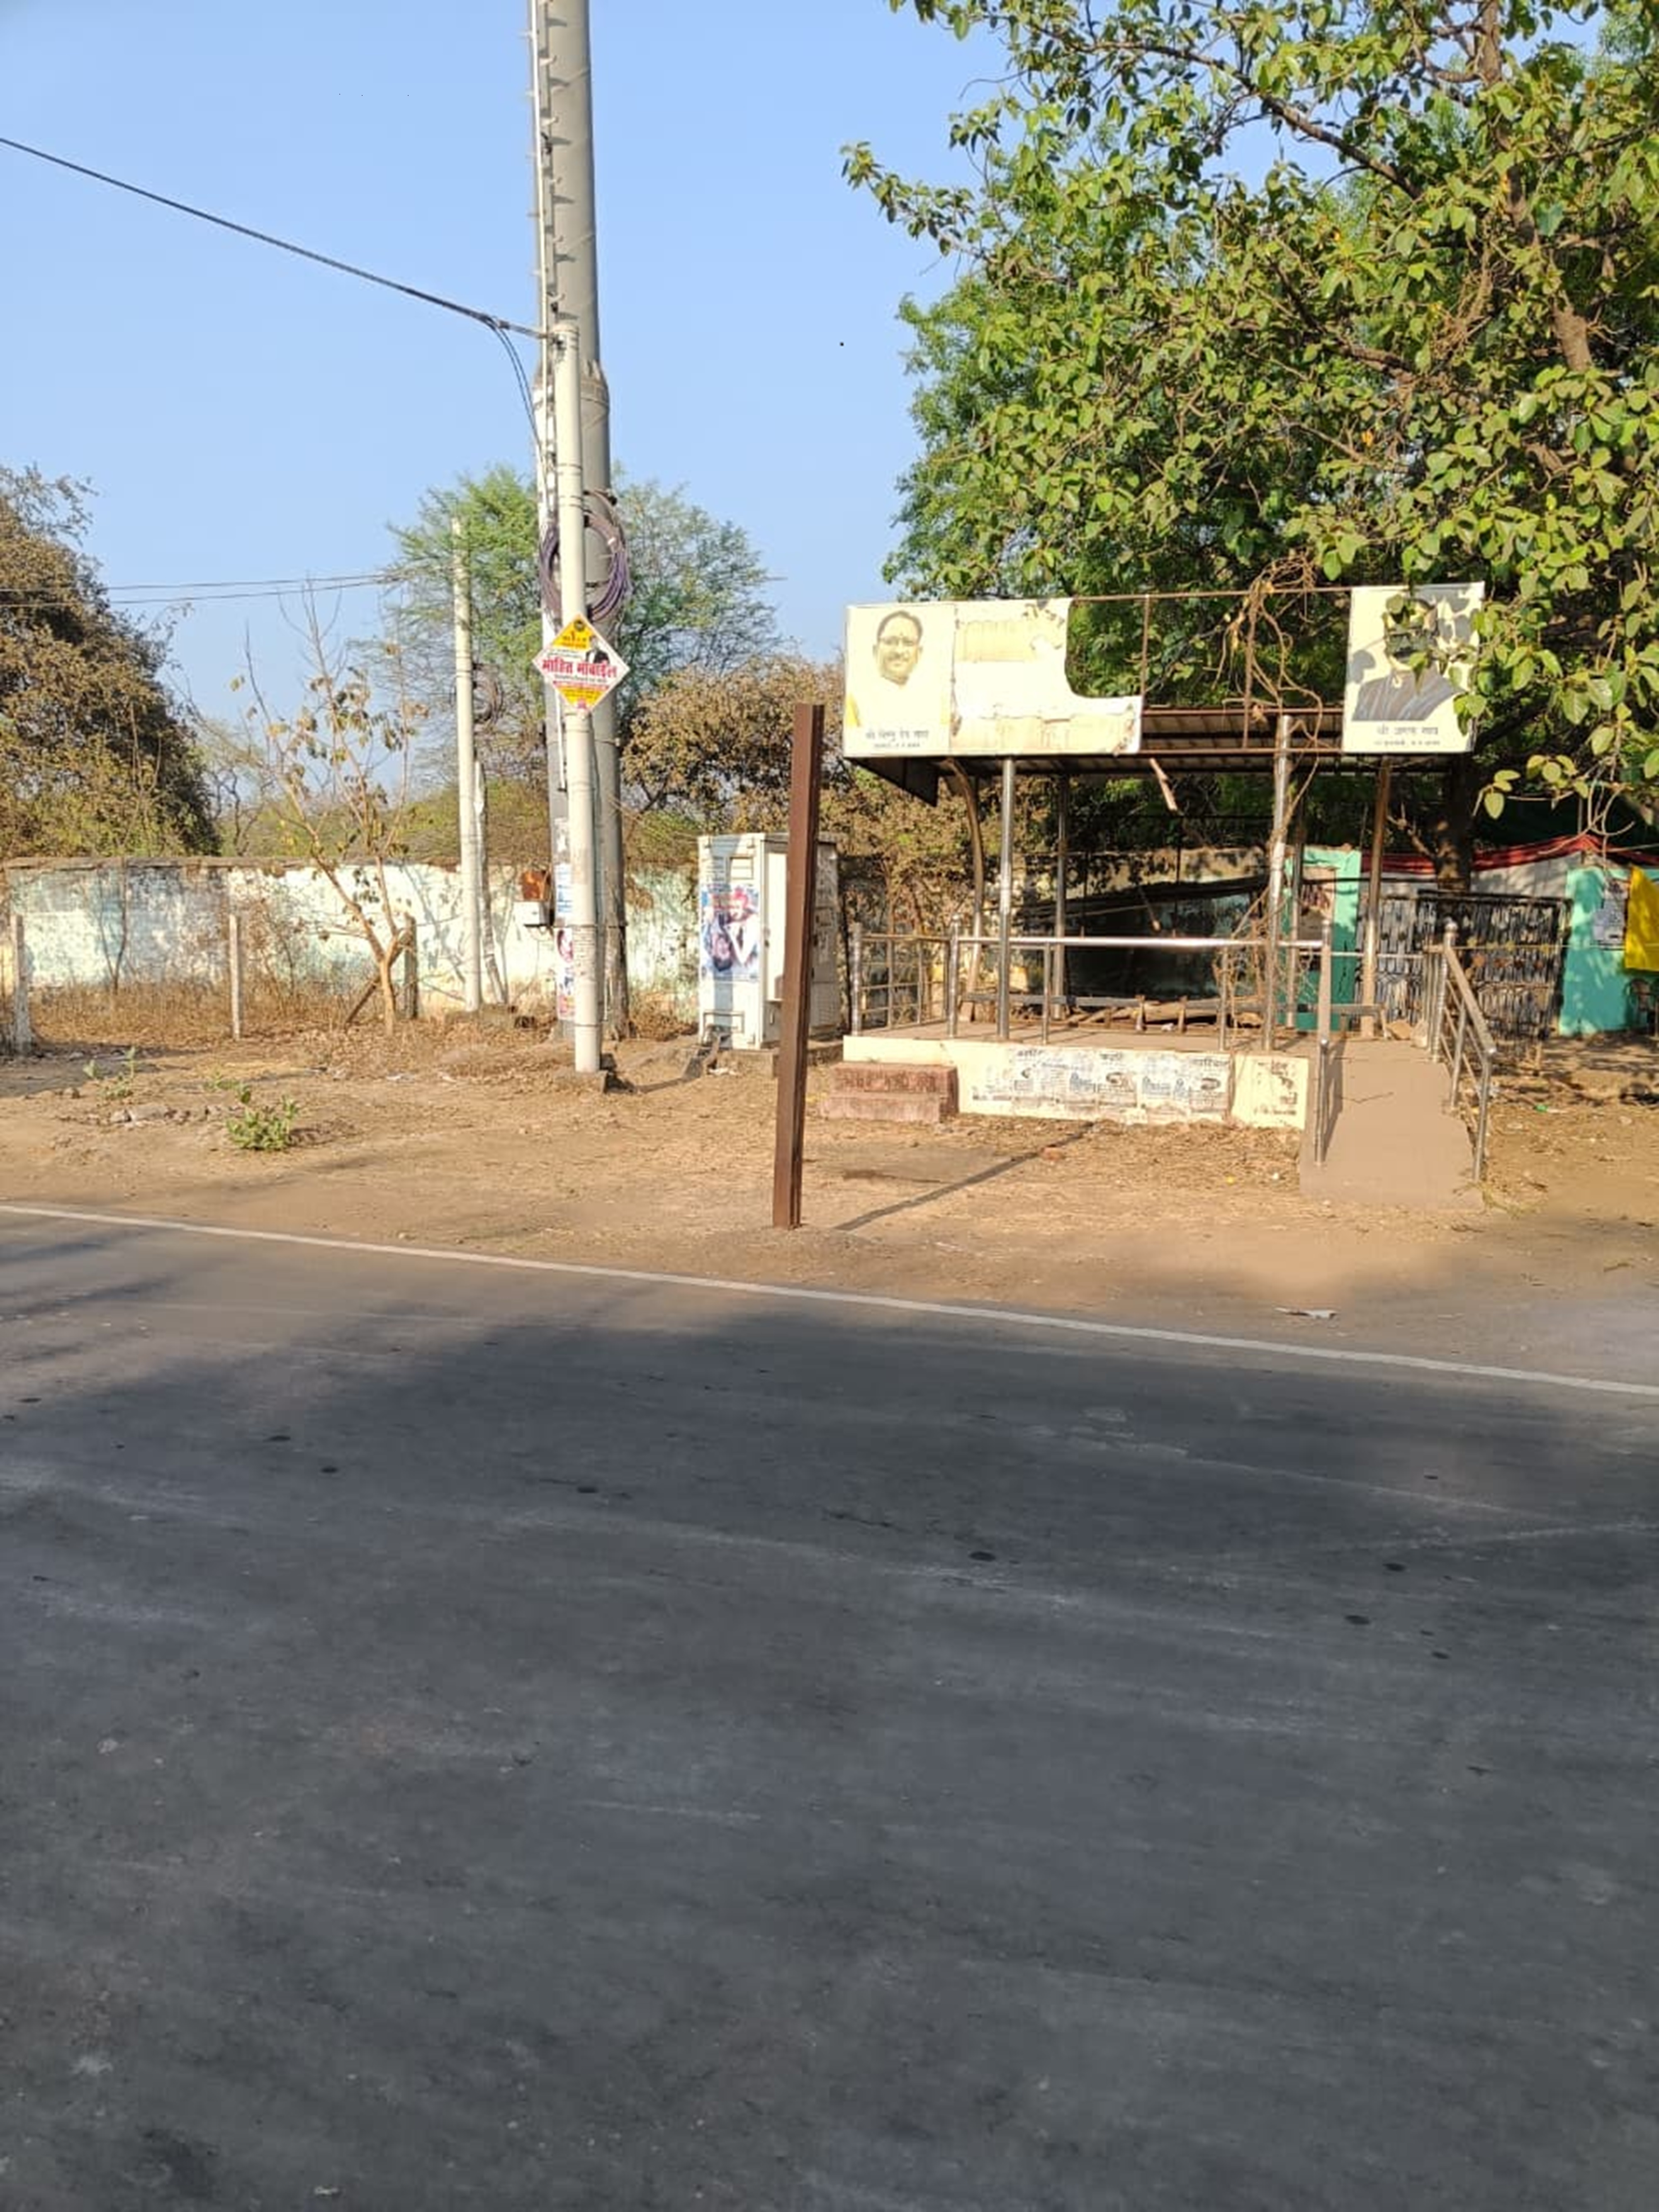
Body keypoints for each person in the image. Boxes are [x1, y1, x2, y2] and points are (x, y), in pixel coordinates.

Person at [872, 609, 924, 688]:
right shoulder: (858, 697)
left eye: (908, 643)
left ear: (919, 653)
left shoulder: (931, 696)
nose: (899, 651)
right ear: (876, 651)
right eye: (890, 642)